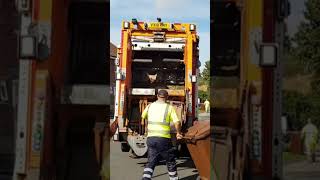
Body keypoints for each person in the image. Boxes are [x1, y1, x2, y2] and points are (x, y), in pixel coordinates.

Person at [141, 90, 183, 180]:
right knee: (170, 160)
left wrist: (145, 127)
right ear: (167, 97)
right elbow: (177, 122)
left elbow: (142, 118)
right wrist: (178, 133)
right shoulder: (169, 108)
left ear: (157, 96)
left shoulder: (149, 106)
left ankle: (145, 178)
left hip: (151, 139)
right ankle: (174, 179)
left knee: (150, 161)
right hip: (163, 139)